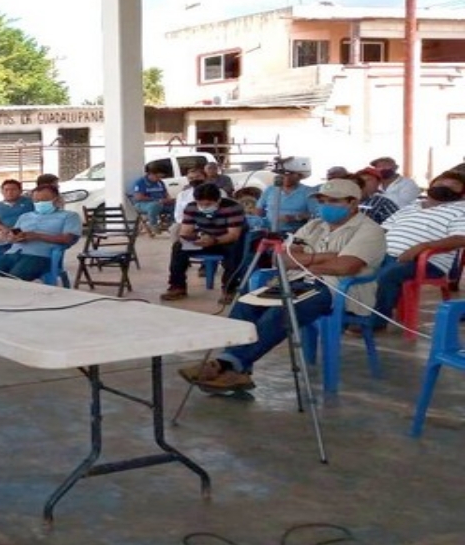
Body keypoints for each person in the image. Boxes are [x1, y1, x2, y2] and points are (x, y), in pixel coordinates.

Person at [180, 179, 385, 392]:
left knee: (282, 311)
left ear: (352, 203)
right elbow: (282, 258)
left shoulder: (369, 230)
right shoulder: (314, 225)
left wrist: (305, 258)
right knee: (245, 304)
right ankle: (236, 371)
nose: (325, 206)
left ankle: (225, 364)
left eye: (333, 201)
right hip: (297, 281)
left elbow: (345, 266)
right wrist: (325, 258)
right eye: (322, 200)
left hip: (335, 290)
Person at [365, 171, 465, 332]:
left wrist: (421, 247)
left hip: (426, 262)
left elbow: (461, 238)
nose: (444, 187)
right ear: (431, 186)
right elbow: (383, 229)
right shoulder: (412, 206)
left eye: (453, 186)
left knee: (389, 274)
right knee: (355, 267)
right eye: (440, 183)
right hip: (385, 254)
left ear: (462, 193)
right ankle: (350, 313)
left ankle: (376, 321)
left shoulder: (461, 209)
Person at [160, 183, 246, 303]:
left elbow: (233, 235)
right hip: (204, 239)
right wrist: (195, 238)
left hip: (226, 240)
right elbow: (186, 231)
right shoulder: (191, 207)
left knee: (234, 250)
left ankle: (229, 289)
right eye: (201, 204)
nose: (204, 207)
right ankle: (177, 286)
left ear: (218, 200)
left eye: (209, 204)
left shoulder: (233, 207)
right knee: (178, 247)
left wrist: (215, 240)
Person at [0, 185, 81, 281]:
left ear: (56, 199)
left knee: (14, 278)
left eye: (44, 200)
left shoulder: (69, 216)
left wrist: (37, 236)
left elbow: (68, 239)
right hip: (13, 253)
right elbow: (14, 233)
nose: (40, 203)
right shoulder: (25, 216)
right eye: (36, 201)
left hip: (40, 256)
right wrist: (14, 238)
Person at [254, 167, 316, 234]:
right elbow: (259, 209)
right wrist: (260, 225)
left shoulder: (308, 192)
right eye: (282, 173)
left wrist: (295, 217)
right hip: (269, 230)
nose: (285, 176)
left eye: (290, 173)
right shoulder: (270, 189)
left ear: (299, 176)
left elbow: (316, 215)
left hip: (295, 232)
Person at [130, 164, 170, 236]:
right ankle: (153, 225)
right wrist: (157, 200)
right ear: (150, 174)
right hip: (143, 204)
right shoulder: (140, 182)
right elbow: (138, 197)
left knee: (177, 206)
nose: (159, 179)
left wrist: (168, 200)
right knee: (154, 205)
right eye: (157, 177)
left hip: (161, 203)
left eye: (161, 177)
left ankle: (171, 224)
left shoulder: (160, 183)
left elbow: (166, 194)